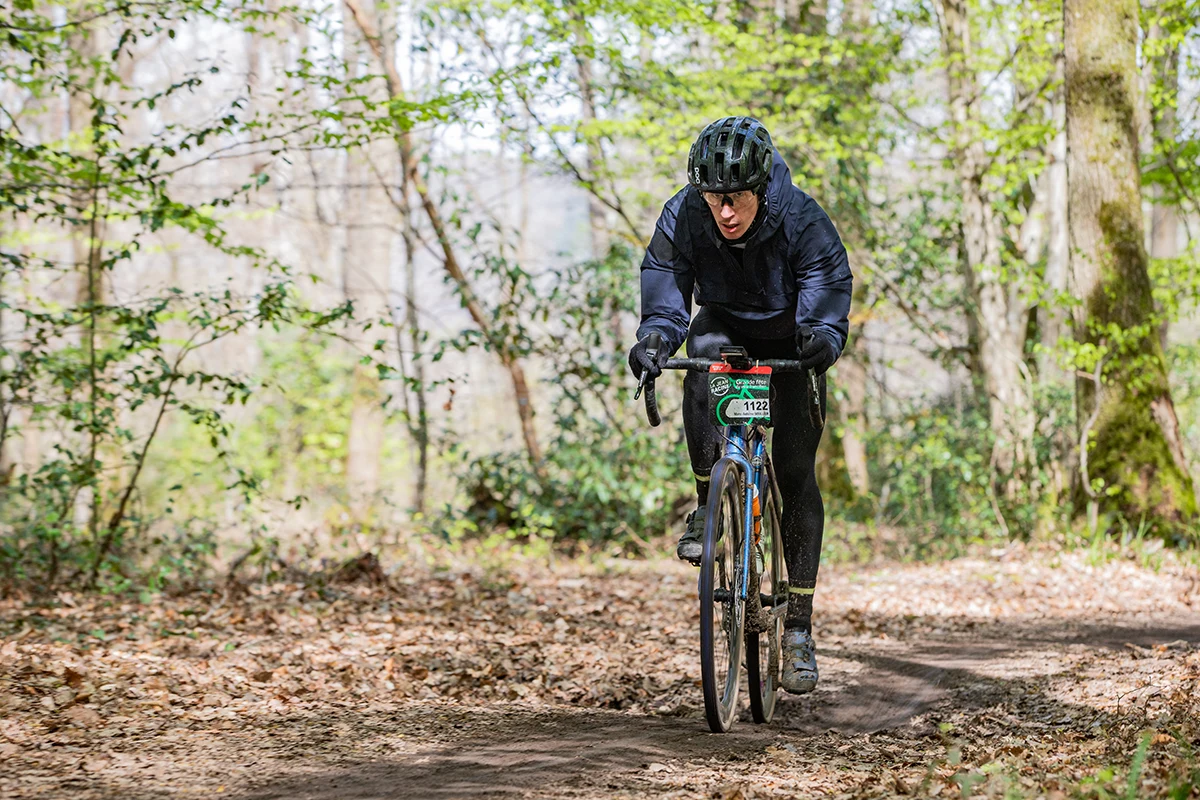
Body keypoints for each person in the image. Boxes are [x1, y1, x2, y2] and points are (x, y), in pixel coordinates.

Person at [627, 116, 853, 694]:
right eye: (714, 200)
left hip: (791, 338)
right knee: (700, 360)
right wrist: (654, 340)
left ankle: (798, 631)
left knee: (798, 472)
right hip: (724, 327)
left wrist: (821, 338)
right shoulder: (683, 216)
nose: (724, 212)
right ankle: (710, 500)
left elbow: (828, 290)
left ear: (760, 189)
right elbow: (666, 285)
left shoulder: (803, 219)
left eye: (735, 199)